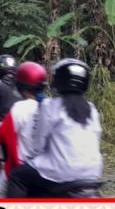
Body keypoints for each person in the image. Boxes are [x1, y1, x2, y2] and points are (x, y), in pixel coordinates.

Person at [7, 59, 103, 197]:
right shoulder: (92, 109)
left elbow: (38, 146)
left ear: (59, 80)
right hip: (92, 172)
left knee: (17, 176)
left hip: (60, 171)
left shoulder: (50, 105)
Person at [0, 61, 48, 198]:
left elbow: (0, 135)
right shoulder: (49, 107)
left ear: (19, 85)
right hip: (46, 169)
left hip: (19, 167)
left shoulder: (20, 107)